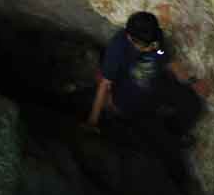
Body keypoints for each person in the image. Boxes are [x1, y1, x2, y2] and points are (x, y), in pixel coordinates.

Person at [85, 11, 204, 153]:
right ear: (130, 38)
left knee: (193, 104)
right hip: (130, 100)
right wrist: (92, 121)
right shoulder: (118, 50)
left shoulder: (153, 38)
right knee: (154, 142)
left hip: (157, 85)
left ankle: (174, 130)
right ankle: (168, 138)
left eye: (152, 45)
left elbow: (163, 56)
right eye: (146, 47)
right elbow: (104, 84)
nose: (151, 49)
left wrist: (191, 81)